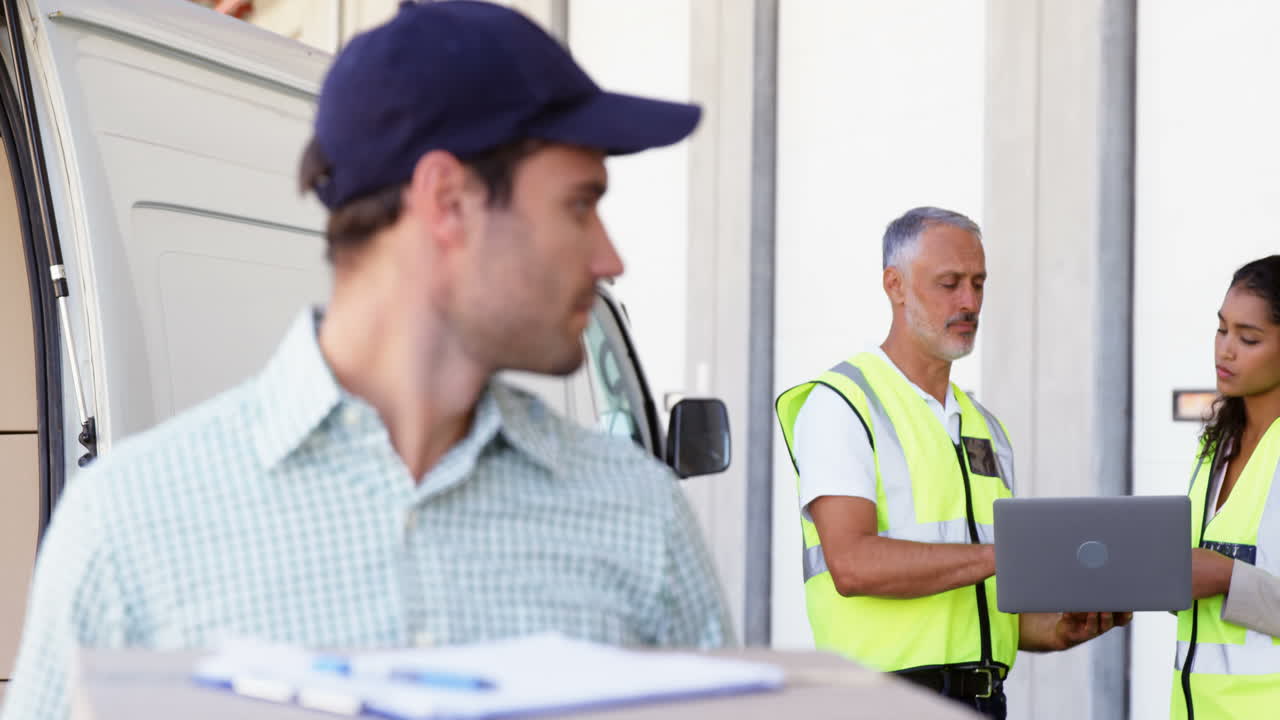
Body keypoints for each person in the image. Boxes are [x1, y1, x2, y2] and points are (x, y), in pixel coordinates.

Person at [0, 3, 733, 719]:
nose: (610, 258)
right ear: (448, 199)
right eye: (580, 205)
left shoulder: (640, 516)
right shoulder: (126, 525)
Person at [774, 206, 1129, 719]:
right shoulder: (842, 404)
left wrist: (1055, 629)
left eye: (978, 283)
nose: (969, 302)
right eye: (950, 283)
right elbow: (851, 564)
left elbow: (976, 606)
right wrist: (1006, 555)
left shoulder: (984, 427)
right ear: (894, 285)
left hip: (981, 699)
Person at [1174, 255, 1280, 720]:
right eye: (1222, 330)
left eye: (1248, 338)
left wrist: (1226, 577)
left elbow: (1220, 574)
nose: (1226, 351)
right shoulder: (1216, 446)